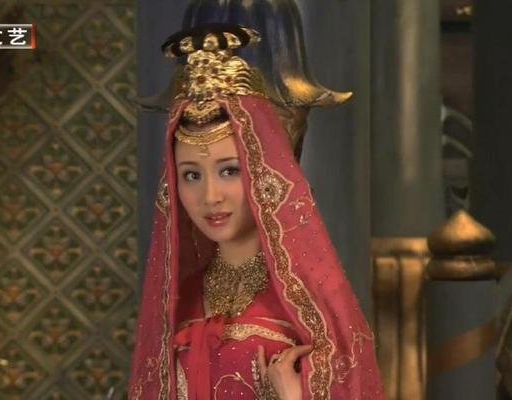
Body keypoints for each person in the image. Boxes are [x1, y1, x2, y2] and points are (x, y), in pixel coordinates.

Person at [128, 24, 383, 400]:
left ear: (264, 174)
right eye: (192, 175)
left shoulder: (311, 303)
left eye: (230, 171)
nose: (210, 196)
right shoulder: (177, 297)